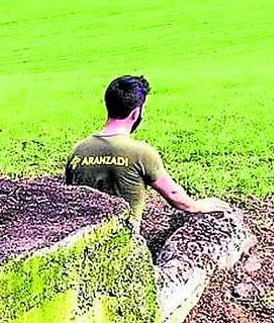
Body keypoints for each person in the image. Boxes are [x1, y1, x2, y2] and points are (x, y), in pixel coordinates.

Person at [65, 75, 232, 222]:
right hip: (123, 244)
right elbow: (174, 196)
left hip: (82, 242)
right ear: (135, 113)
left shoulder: (79, 150)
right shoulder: (141, 153)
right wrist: (199, 206)